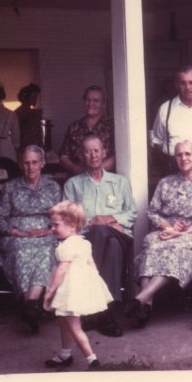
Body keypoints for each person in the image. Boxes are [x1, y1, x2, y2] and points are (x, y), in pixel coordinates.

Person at [128, 141, 192, 328]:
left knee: (172, 249)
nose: (183, 158)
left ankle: (141, 299)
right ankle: (145, 305)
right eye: (179, 155)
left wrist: (182, 232)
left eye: (188, 154)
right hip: (165, 232)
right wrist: (167, 227)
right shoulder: (165, 183)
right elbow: (152, 212)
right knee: (151, 245)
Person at [62, 135, 137, 337]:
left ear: (104, 153)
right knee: (108, 243)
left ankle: (91, 310)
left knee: (105, 233)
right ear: (81, 155)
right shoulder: (73, 184)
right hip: (88, 238)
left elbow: (132, 212)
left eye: (97, 150)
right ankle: (106, 313)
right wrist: (92, 222)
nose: (93, 155)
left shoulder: (120, 182)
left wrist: (110, 218)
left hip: (120, 235)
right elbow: (67, 218)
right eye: (88, 151)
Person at [0, 145, 61, 332]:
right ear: (21, 165)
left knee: (47, 249)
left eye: (34, 162)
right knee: (22, 249)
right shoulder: (10, 187)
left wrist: (48, 231)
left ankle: (30, 304)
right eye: (26, 163)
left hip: (46, 235)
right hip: (17, 236)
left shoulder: (53, 187)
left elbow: (63, 218)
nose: (30, 167)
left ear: (42, 163)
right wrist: (16, 232)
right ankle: (33, 306)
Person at [43, 201, 113, 371]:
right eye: (51, 224)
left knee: (74, 326)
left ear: (72, 226)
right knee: (64, 322)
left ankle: (92, 360)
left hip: (70, 291)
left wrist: (49, 292)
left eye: (56, 225)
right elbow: (92, 265)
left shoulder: (65, 247)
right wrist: (94, 285)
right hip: (80, 288)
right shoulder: (84, 242)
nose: (52, 228)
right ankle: (65, 354)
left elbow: (61, 271)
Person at [59, 85, 115, 176]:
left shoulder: (112, 126)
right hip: (78, 179)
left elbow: (119, 156)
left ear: (103, 104)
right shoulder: (74, 127)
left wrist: (97, 170)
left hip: (104, 179)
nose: (90, 103)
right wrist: (76, 169)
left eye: (95, 100)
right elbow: (63, 157)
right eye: (87, 100)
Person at [15, 83, 43, 149]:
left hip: (35, 147)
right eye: (33, 96)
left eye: (36, 97)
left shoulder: (33, 112)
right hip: (25, 148)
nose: (35, 99)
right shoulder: (20, 112)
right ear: (26, 97)